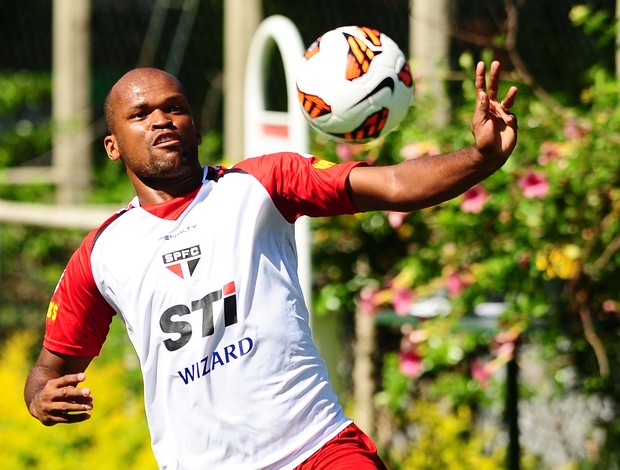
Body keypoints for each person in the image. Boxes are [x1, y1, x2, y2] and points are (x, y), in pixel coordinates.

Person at [24, 60, 517, 469]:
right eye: (141, 114)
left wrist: (479, 158)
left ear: (194, 126)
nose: (162, 120)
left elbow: (393, 186)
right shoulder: (102, 253)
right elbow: (48, 373)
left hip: (317, 446)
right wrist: (41, 399)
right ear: (112, 146)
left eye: (175, 108)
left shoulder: (262, 184)